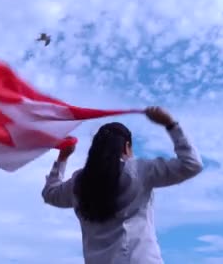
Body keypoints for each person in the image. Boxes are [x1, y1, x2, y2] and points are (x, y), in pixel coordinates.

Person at [41, 106, 204, 263]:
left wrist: (62, 158)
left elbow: (50, 194)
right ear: (126, 147)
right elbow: (191, 164)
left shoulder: (79, 182)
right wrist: (171, 124)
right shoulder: (140, 171)